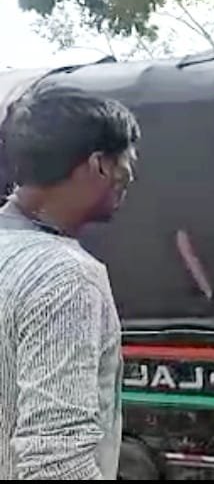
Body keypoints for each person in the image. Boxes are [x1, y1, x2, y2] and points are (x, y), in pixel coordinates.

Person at [0, 86, 140, 480]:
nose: (130, 174)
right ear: (99, 165)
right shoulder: (66, 277)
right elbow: (56, 464)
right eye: (126, 159)